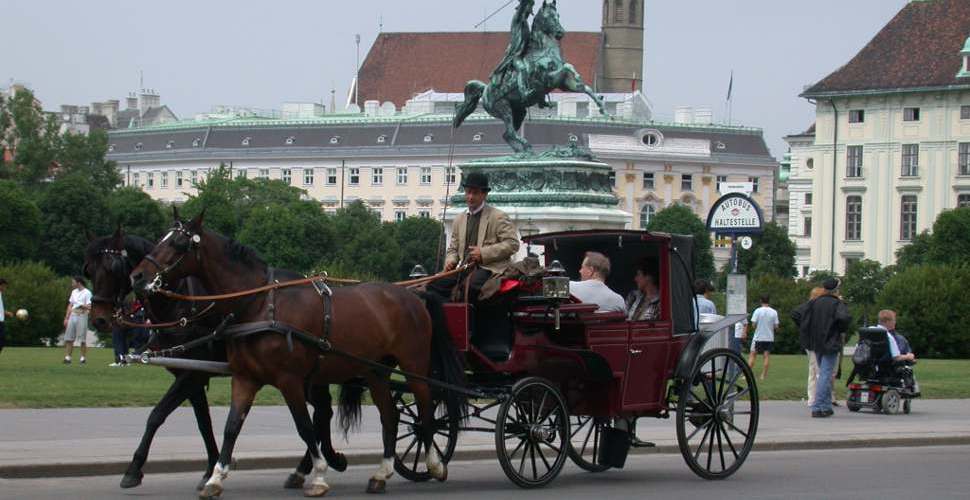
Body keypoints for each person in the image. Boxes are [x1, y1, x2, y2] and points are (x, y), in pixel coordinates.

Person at [430, 171, 520, 304]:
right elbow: (453, 249)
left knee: (469, 287)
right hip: (464, 268)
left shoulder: (498, 216)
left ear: (484, 194)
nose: (470, 197)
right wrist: (450, 261)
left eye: (475, 193)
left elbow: (512, 244)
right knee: (435, 285)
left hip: (490, 268)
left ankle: (471, 323)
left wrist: (483, 253)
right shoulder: (459, 219)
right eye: (468, 192)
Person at [792, 278, 851, 418]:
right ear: (836, 290)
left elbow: (796, 313)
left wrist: (806, 327)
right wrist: (839, 329)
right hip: (830, 342)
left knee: (822, 373)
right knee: (825, 374)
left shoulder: (814, 302)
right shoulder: (837, 303)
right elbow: (844, 318)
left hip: (815, 342)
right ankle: (818, 406)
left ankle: (825, 405)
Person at [748, 295, 779, 381]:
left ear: (761, 301)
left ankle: (746, 374)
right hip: (769, 337)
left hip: (758, 337)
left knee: (752, 355)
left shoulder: (757, 311)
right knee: (766, 356)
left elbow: (753, 324)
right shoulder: (774, 312)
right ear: (769, 301)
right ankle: (763, 375)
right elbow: (776, 326)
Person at [63, 276, 92, 365]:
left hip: (82, 315)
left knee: (82, 339)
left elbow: (89, 307)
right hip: (73, 315)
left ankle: (82, 358)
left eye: (73, 282)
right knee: (69, 338)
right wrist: (66, 318)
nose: (72, 284)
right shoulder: (74, 292)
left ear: (78, 283)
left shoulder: (87, 293)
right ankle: (68, 357)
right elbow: (70, 305)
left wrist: (80, 305)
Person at [0, 278, 13, 356]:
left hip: (1, 321)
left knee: (1, 343)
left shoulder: (0, 294)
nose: (5, 288)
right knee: (1, 343)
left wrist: (6, 313)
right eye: (4, 286)